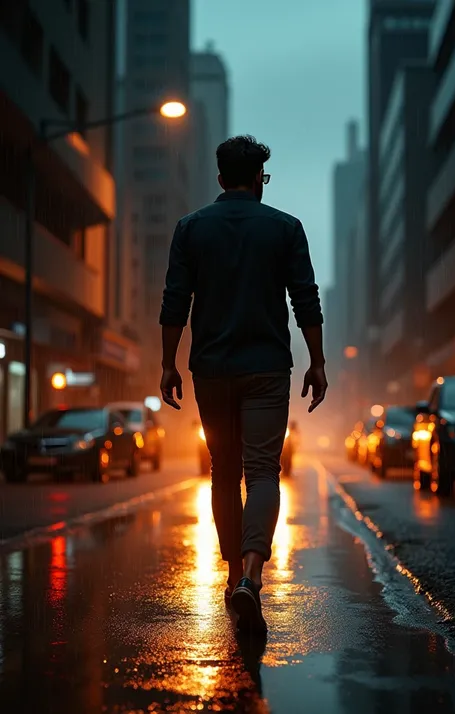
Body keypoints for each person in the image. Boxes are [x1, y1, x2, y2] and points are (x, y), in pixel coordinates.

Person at [160, 135, 327, 633]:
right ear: (258, 179)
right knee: (261, 472)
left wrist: (168, 363)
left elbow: (175, 301)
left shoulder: (190, 229)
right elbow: (305, 299)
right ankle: (251, 577)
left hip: (210, 368)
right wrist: (317, 361)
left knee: (223, 471)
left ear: (219, 179)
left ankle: (233, 571)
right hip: (266, 369)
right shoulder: (285, 228)